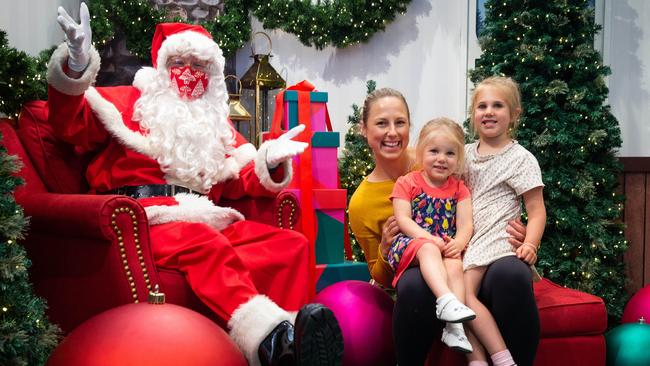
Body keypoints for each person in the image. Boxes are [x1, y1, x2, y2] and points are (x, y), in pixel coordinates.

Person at [48, 4, 343, 366]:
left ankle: (299, 343)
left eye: (200, 65)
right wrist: (76, 64)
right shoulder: (127, 103)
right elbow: (68, 126)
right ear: (161, 68)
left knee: (289, 245)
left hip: (208, 216)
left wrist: (268, 160)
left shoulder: (217, 126)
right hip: (147, 219)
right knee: (203, 243)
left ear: (213, 74)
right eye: (179, 63)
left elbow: (240, 180)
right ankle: (270, 342)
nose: (189, 73)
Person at [348, 87, 540, 366]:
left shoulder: (437, 154)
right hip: (417, 265)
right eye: (381, 123)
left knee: (511, 274)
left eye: (399, 122)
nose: (392, 132)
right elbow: (377, 273)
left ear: (410, 127)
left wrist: (518, 233)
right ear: (364, 129)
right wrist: (385, 247)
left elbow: (485, 192)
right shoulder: (361, 203)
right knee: (414, 285)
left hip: (469, 254)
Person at [463, 76, 546, 366]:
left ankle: (506, 359)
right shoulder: (462, 155)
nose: (488, 111)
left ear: (514, 114)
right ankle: (481, 360)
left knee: (466, 293)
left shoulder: (521, 159)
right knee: (457, 295)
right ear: (473, 114)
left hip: (499, 242)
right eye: (481, 106)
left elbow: (536, 210)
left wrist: (531, 244)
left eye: (497, 105)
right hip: (466, 243)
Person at [389, 118, 475, 354]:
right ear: (421, 153)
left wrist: (458, 243)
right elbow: (403, 220)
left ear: (458, 158)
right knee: (427, 249)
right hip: (411, 243)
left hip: (444, 246)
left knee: (455, 266)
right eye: (434, 151)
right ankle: (446, 300)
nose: (441, 158)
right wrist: (428, 239)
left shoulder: (459, 188)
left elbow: (466, 224)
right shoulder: (407, 182)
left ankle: (454, 328)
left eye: (449, 153)